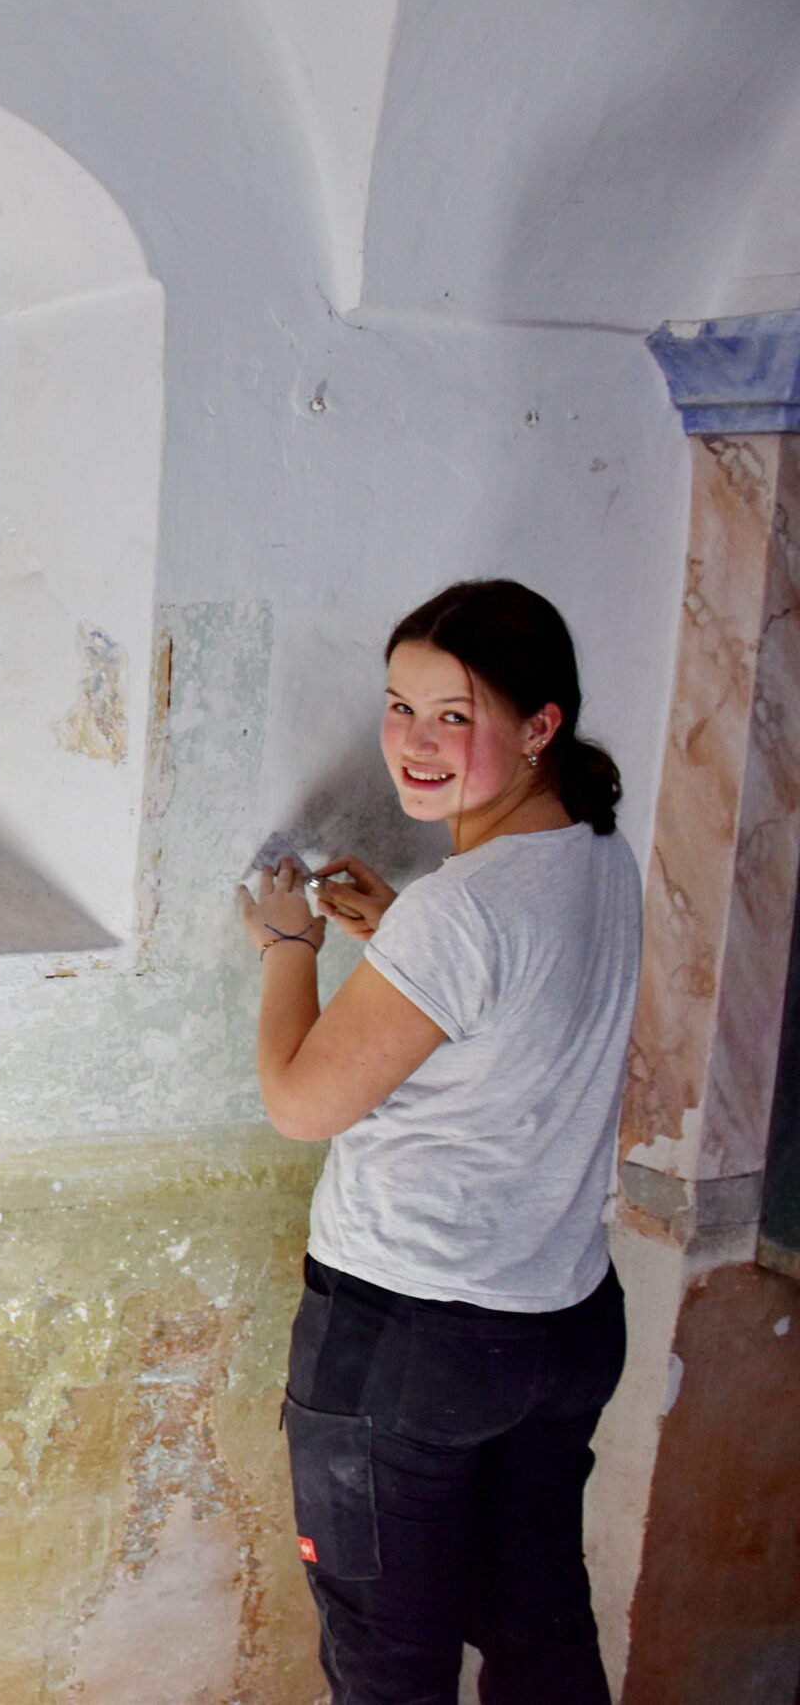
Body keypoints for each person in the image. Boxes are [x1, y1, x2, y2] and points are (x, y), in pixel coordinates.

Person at [237, 578, 638, 1704]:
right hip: (557, 1327)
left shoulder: (459, 913)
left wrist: (287, 947)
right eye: (399, 706)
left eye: (454, 716)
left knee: (389, 1673)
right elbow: (513, 1012)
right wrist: (399, 934)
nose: (413, 744)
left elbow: (300, 1102)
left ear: (540, 725)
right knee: (541, 1644)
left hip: (411, 1344)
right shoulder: (596, 853)